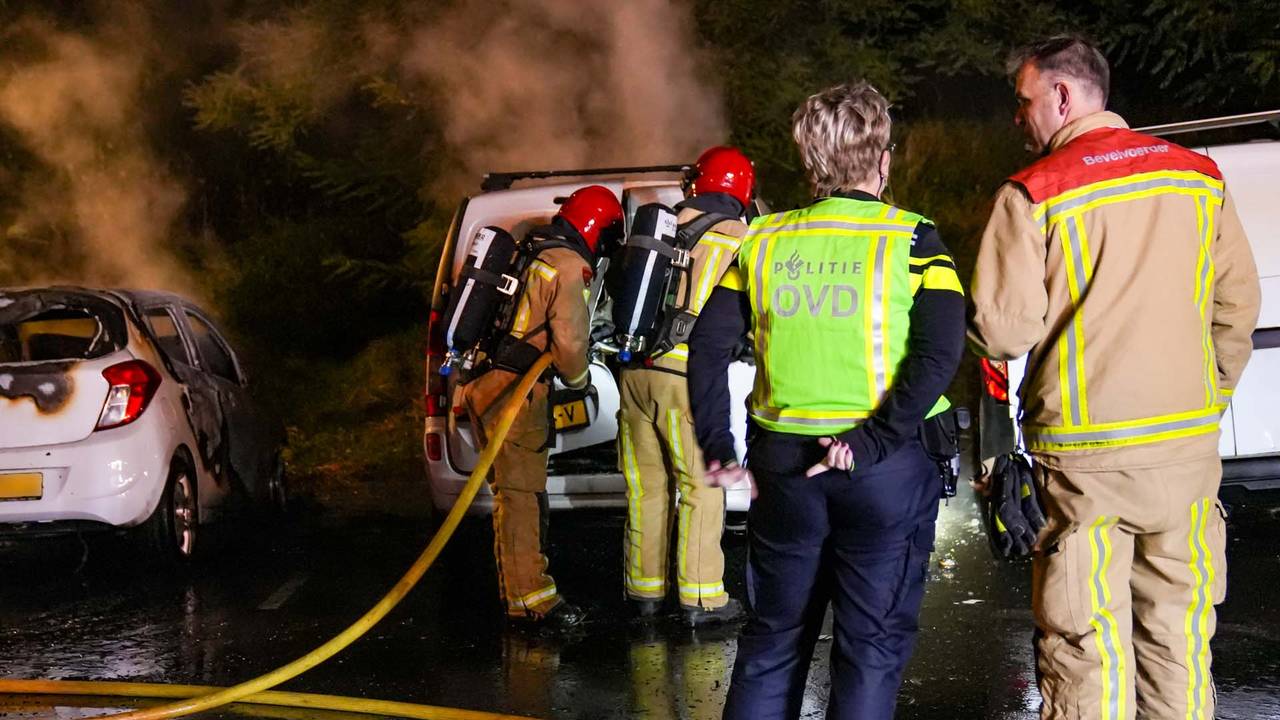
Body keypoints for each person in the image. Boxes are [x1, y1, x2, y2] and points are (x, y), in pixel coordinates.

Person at [968, 36, 1260, 720]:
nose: (1020, 118)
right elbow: (1238, 305)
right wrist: (1208, 396)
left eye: (1024, 101)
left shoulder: (1034, 193)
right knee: (1178, 638)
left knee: (1083, 649)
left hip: (1084, 461)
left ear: (1063, 96)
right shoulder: (1197, 178)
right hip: (1184, 451)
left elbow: (1005, 330)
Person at [689, 82, 965, 719]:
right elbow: (938, 355)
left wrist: (717, 444)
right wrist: (868, 442)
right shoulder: (916, 240)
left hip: (784, 469)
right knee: (869, 646)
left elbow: (706, 347)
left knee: (773, 641)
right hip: (882, 467)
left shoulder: (759, 242)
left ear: (809, 163)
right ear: (884, 159)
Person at [461, 184, 623, 631]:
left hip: (489, 386)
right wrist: (580, 380)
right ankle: (532, 603)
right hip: (515, 394)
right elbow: (569, 344)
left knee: (511, 497)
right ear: (598, 229)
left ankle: (520, 592)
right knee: (522, 499)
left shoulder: (536, 250)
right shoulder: (568, 265)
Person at [615, 146, 753, 626]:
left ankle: (645, 594)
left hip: (634, 374)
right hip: (685, 377)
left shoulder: (661, 228)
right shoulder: (738, 236)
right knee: (700, 487)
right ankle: (701, 599)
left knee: (646, 488)